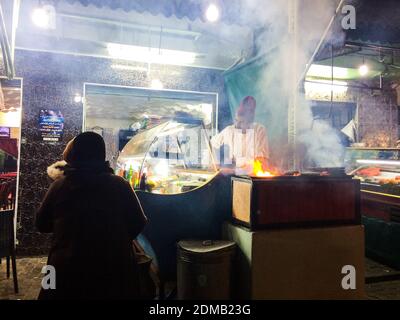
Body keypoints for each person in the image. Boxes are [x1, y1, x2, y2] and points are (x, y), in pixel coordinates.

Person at [36, 132, 147, 300]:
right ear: (101, 155)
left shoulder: (59, 186)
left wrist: (69, 231)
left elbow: (41, 224)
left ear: (75, 155)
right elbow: (139, 221)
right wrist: (114, 238)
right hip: (114, 269)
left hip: (65, 270)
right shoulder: (120, 185)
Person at [211, 96, 270, 173]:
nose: (237, 125)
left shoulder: (259, 130)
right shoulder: (229, 130)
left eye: (241, 122)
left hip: (253, 176)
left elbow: (261, 162)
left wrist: (235, 171)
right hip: (234, 175)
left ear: (250, 122)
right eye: (236, 120)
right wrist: (215, 164)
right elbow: (212, 143)